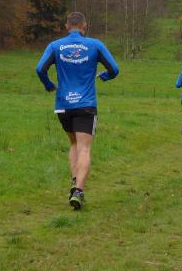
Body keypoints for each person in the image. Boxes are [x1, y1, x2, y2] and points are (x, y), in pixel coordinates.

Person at [36, 12, 119, 210]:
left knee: (73, 143)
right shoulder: (95, 45)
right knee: (84, 148)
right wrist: (104, 76)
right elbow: (114, 69)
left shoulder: (55, 46)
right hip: (86, 104)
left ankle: (74, 180)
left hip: (63, 105)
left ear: (67, 26)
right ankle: (79, 191)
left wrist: (48, 85)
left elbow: (40, 69)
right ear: (84, 26)